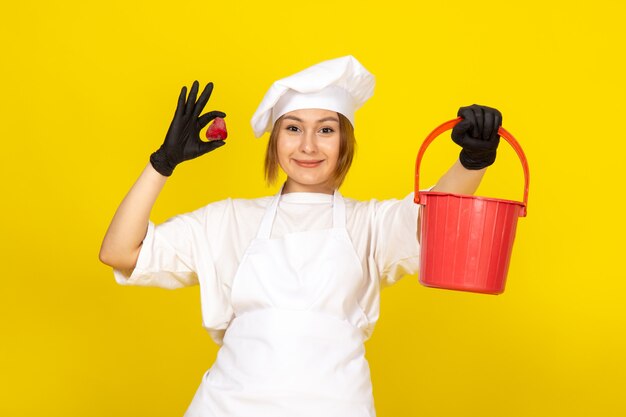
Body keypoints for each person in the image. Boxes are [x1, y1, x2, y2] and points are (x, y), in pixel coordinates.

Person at [99, 56, 502, 417]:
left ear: (344, 141)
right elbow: (119, 251)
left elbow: (433, 218)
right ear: (275, 141)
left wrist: (473, 160)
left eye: (325, 129)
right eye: (293, 128)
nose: (308, 146)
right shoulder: (228, 221)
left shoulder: (372, 224)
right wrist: (162, 163)